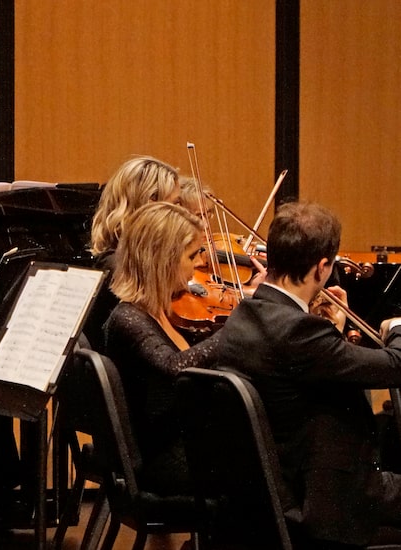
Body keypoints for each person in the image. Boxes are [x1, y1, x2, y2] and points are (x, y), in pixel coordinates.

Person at [216, 201, 401, 547]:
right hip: (328, 502)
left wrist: (337, 330)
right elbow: (394, 366)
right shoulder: (299, 332)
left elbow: (323, 368)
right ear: (321, 268)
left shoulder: (245, 314)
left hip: (270, 500)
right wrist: (397, 326)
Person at [102, 202, 218, 495]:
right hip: (167, 463)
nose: (197, 265)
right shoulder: (127, 318)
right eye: (191, 255)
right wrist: (241, 327)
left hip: (183, 448)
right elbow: (174, 367)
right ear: (163, 259)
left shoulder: (160, 311)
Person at [84, 155, 182, 351]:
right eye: (176, 203)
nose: (182, 212)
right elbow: (170, 358)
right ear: (150, 203)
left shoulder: (126, 262)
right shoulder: (120, 268)